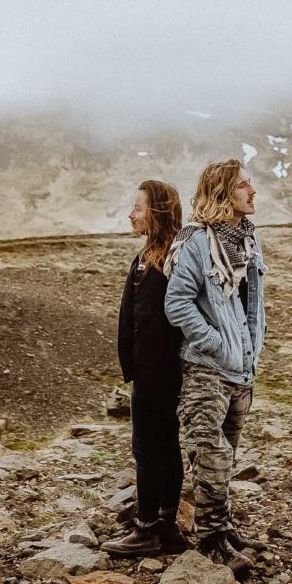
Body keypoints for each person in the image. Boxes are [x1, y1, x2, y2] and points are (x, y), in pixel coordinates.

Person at [164, 159, 268, 572]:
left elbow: (251, 303)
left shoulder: (248, 239)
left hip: (242, 369)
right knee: (210, 452)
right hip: (207, 368)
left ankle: (221, 527)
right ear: (224, 194)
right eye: (244, 186)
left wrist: (249, 348)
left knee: (228, 453)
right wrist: (213, 342)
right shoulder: (197, 241)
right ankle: (209, 538)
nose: (253, 191)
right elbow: (177, 301)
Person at [101, 180, 191, 557]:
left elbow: (168, 323)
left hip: (158, 374)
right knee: (163, 444)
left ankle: (148, 528)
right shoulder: (153, 255)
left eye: (138, 207)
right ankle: (164, 522)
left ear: (157, 211)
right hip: (152, 372)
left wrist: (150, 372)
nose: (131, 214)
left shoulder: (170, 258)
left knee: (148, 447)